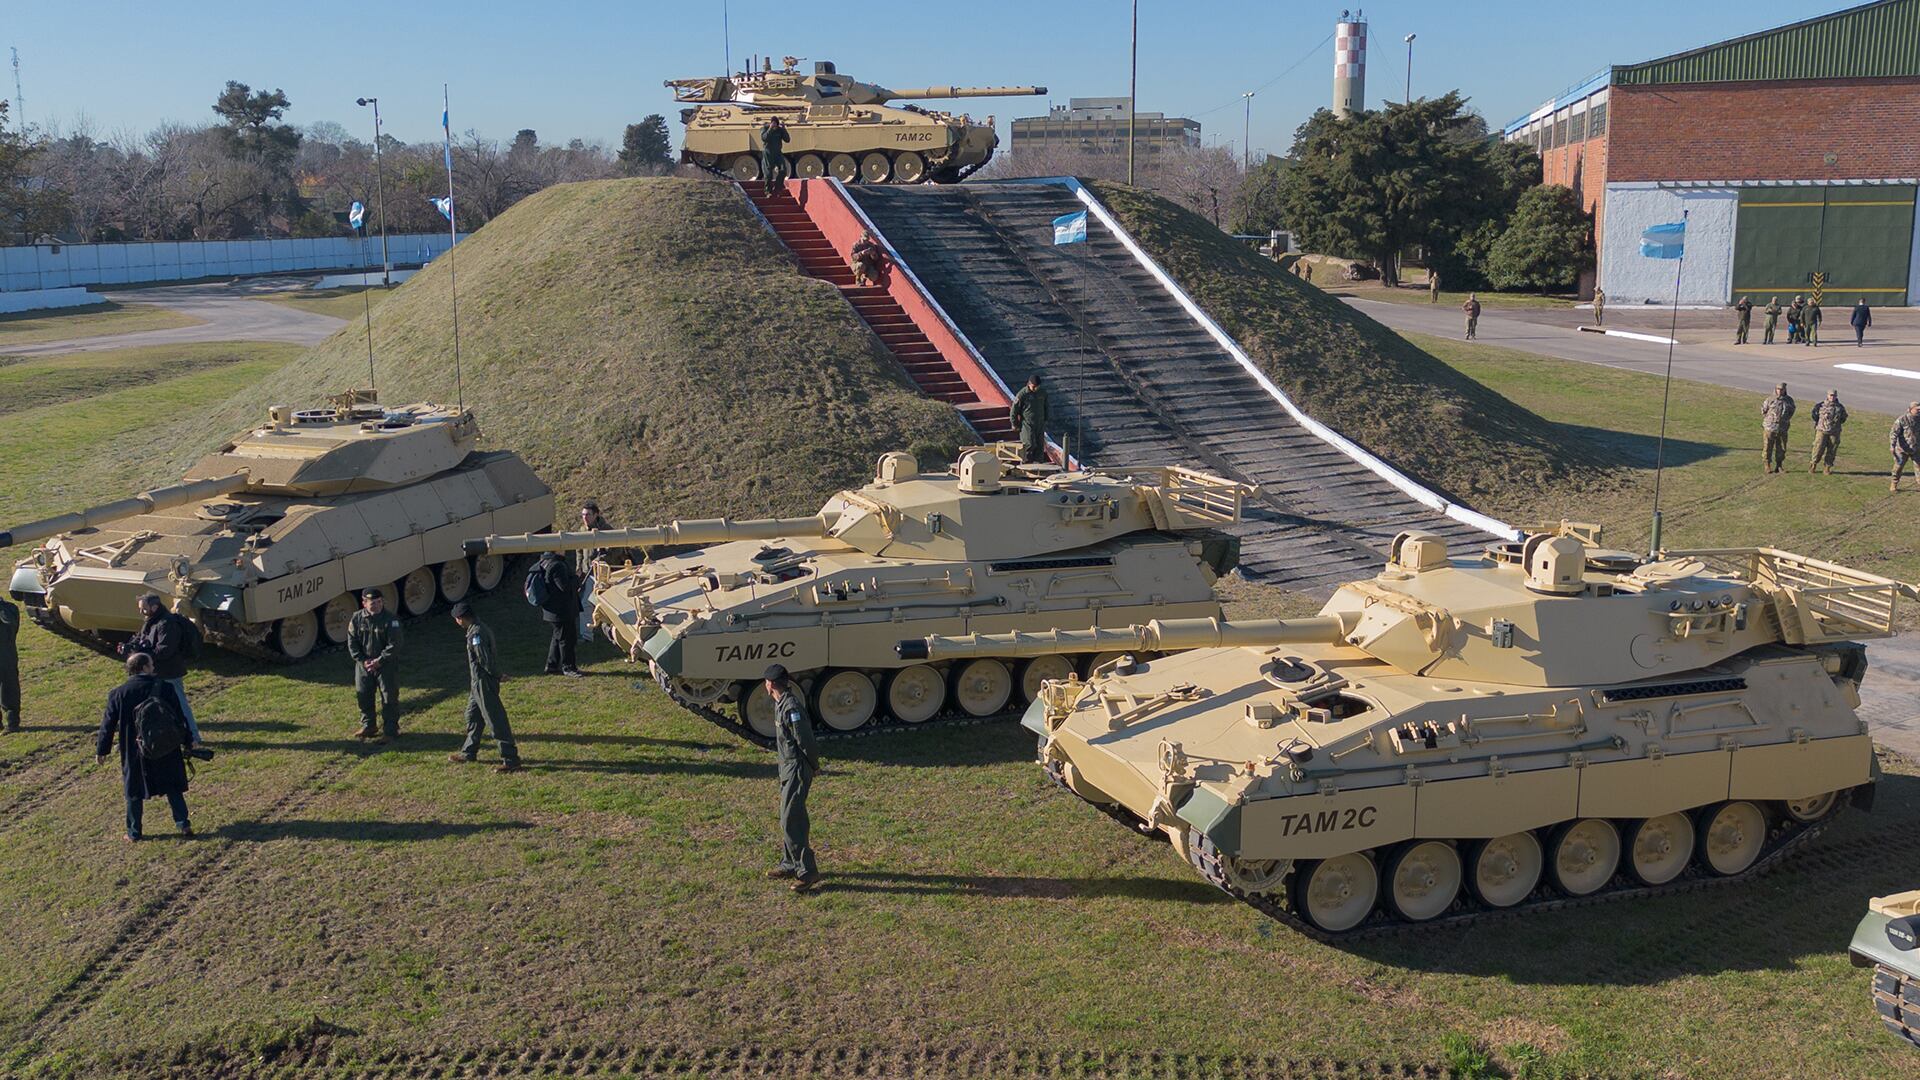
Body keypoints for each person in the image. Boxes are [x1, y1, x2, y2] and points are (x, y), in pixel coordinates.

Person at [97, 652, 193, 841]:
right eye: (151, 664)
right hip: (165, 745)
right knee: (172, 786)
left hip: (135, 751)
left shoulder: (118, 693)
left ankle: (134, 832)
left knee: (134, 791)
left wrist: (102, 750)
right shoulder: (165, 688)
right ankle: (183, 824)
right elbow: (180, 717)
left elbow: (107, 724)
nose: (154, 667)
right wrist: (188, 740)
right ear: (144, 668)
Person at [761, 664, 820, 892]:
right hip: (787, 768)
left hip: (796, 768)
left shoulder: (791, 707)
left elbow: (805, 740)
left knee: (791, 819)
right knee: (790, 816)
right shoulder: (781, 704)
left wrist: (814, 765)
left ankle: (807, 872)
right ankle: (790, 863)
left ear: (769, 684)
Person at [448, 603, 521, 772]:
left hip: (483, 682)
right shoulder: (479, 628)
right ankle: (469, 751)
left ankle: (511, 759)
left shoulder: (477, 634)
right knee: (472, 715)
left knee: (495, 720)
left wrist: (497, 675)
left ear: (460, 619)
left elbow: (484, 660)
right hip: (477, 683)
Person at [122, 594, 202, 747]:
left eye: (144, 609)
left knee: (180, 705)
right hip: (154, 671)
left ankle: (194, 736)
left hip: (169, 672)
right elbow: (142, 638)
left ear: (154, 607)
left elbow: (165, 650)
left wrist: (144, 656)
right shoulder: (151, 621)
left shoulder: (167, 623)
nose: (141, 612)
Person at [347, 589, 402, 741]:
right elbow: (352, 642)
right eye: (373, 603)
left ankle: (391, 730)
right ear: (364, 603)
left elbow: (395, 645)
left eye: (379, 602)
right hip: (364, 666)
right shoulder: (357, 619)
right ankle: (368, 726)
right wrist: (363, 660)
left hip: (386, 665)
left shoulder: (391, 620)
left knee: (388, 697)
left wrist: (380, 661)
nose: (377, 606)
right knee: (363, 695)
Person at [534, 550, 583, 677]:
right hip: (561, 610)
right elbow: (564, 587)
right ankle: (568, 667)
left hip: (552, 610)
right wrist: (577, 578)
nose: (565, 550)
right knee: (567, 639)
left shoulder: (545, 561)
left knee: (558, 637)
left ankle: (552, 665)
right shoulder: (557, 565)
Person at [1009, 374, 1050, 465]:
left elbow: (1046, 406)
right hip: (1027, 423)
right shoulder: (1022, 394)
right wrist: (1014, 424)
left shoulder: (1042, 393)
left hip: (1040, 423)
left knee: (1040, 445)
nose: (1035, 389)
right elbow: (1014, 410)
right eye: (1034, 387)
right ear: (1029, 384)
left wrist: (1046, 419)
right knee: (1029, 444)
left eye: (1037, 387)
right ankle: (1025, 464)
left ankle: (1038, 464)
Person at [1810, 390, 1848, 475]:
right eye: (1831, 395)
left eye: (1834, 396)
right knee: (1818, 448)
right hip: (1821, 431)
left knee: (1832, 450)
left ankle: (1827, 467)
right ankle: (1813, 465)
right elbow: (1814, 415)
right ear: (1827, 395)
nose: (1832, 397)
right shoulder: (1820, 405)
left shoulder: (1840, 407)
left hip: (1834, 432)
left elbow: (1843, 418)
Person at [1761, 383, 1796, 474]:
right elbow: (1764, 411)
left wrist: (1784, 420)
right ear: (1775, 389)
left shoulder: (1789, 401)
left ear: (1785, 390)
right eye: (1778, 389)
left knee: (1781, 448)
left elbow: (1792, 411)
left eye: (1781, 389)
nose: (1779, 391)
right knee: (1768, 447)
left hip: (1782, 428)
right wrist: (1770, 420)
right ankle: (1767, 465)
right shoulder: (1770, 399)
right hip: (1770, 427)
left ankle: (1779, 466)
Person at [1, 597, 20, 733]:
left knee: (9, 687)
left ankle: (12, 722)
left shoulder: (8, 609)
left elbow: (11, 623)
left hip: (5, 653)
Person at [1893, 403, 1920, 492]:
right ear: (1910, 409)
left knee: (1919, 467)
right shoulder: (1902, 419)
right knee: (1898, 467)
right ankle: (1894, 483)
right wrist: (1892, 446)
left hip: (1916, 449)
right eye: (1917, 409)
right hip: (1902, 449)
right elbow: (1893, 433)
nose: (1919, 411)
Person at [759, 117, 789, 194]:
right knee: (768, 174)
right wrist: (770, 129)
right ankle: (768, 191)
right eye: (774, 123)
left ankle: (778, 188)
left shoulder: (780, 130)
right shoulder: (765, 128)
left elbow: (787, 140)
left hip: (778, 153)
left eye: (776, 124)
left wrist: (784, 129)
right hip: (768, 153)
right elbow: (764, 138)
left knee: (783, 170)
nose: (775, 126)